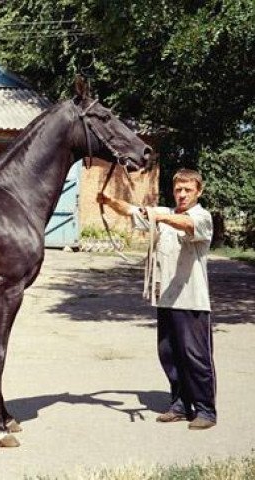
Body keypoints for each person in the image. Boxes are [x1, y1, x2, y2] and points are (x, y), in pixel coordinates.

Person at [96, 168, 216, 430]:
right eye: (178, 189)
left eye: (188, 190)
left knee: (196, 357)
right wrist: (108, 201)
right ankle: (180, 405)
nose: (182, 194)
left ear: (199, 191)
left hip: (192, 300)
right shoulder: (165, 214)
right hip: (167, 300)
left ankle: (206, 410)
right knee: (170, 355)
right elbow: (131, 210)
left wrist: (159, 216)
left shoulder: (201, 216)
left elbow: (187, 225)